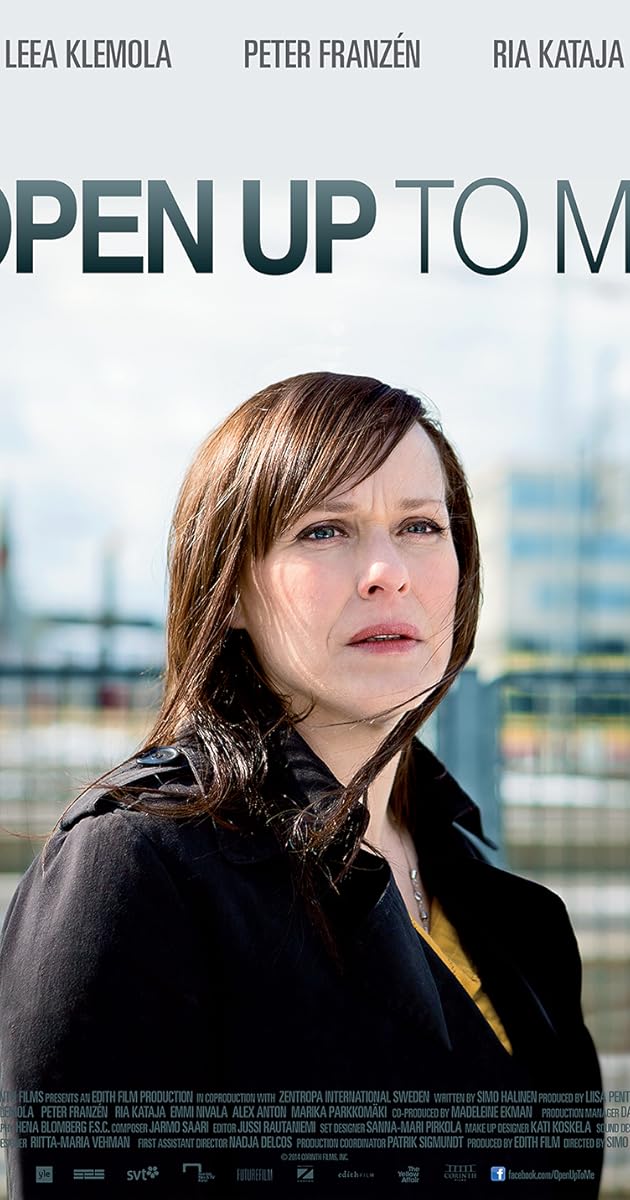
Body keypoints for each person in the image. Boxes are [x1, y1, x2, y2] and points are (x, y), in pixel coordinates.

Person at [0, 373, 603, 1198]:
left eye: (421, 526)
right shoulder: (134, 870)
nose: (387, 571)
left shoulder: (503, 907)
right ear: (230, 590)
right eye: (324, 530)